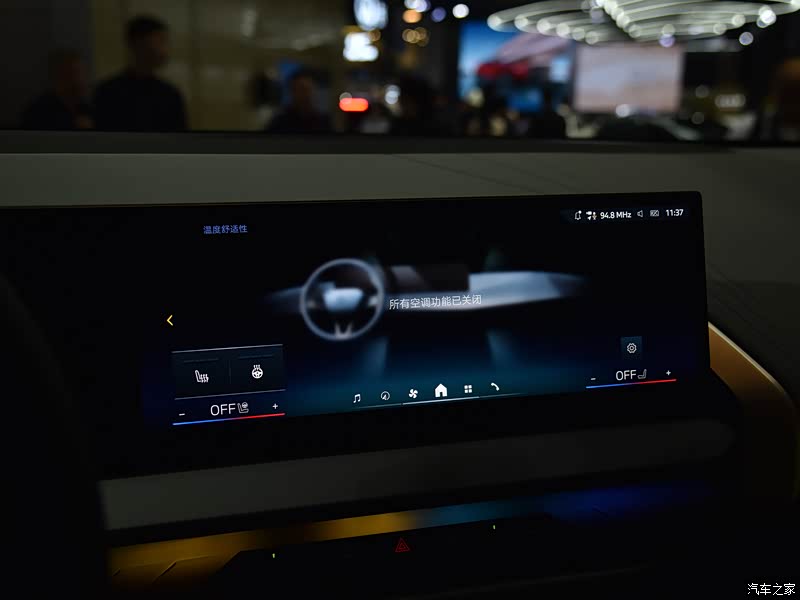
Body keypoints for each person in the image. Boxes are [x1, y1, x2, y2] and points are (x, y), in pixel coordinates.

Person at [93, 15, 187, 132]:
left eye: (164, 41)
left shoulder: (170, 95)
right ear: (138, 43)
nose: (165, 49)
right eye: (160, 41)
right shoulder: (108, 93)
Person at [21, 50, 93, 130]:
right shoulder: (39, 111)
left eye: (82, 73)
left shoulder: (88, 108)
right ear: (57, 77)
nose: (80, 80)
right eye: (72, 74)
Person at [265, 70, 330, 134]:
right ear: (292, 92)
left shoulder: (324, 121)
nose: (306, 94)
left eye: (309, 89)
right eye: (301, 90)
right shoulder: (280, 122)